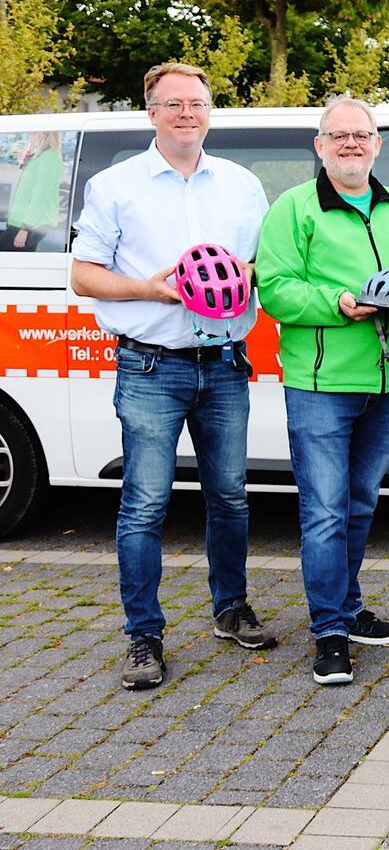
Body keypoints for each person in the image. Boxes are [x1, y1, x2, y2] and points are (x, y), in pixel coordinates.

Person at [70, 62, 274, 691]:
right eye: (174, 103)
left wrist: (249, 274)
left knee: (231, 499)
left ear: (209, 111)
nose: (187, 112)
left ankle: (230, 609)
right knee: (144, 507)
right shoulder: (115, 185)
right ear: (151, 112)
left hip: (225, 365)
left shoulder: (242, 185)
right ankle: (143, 636)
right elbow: (84, 275)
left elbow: (265, 264)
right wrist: (152, 291)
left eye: (197, 102)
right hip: (150, 365)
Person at [255, 96, 389, 685]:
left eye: (361, 135)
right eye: (338, 136)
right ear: (320, 146)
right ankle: (329, 632)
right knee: (323, 512)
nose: (351, 144)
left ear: (377, 143)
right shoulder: (294, 207)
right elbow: (276, 288)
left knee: (359, 504)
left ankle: (350, 607)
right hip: (321, 385)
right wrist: (338, 304)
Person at [3, 131, 65, 251]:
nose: (28, 138)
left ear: (41, 135)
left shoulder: (50, 158)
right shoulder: (42, 156)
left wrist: (26, 229)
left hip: (29, 224)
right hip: (22, 222)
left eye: (31, 134)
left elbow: (40, 198)